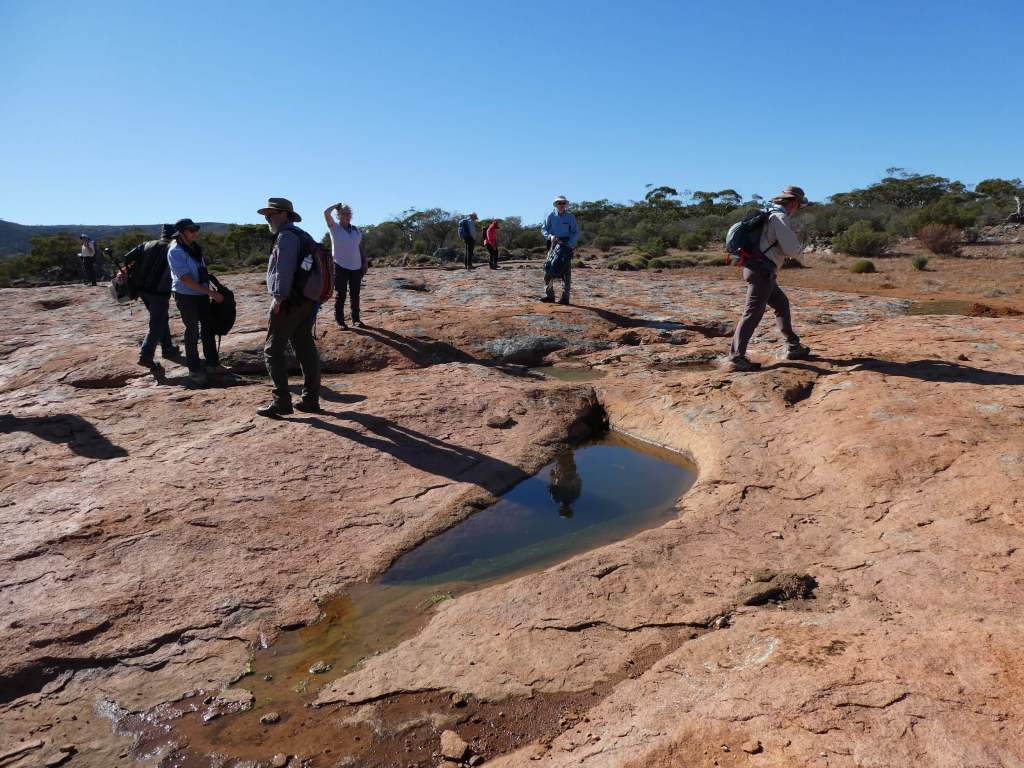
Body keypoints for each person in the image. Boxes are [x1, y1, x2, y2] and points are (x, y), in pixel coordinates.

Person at [724, 186, 812, 372]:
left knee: (781, 304)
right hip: (761, 271)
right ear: (793, 203)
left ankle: (793, 346)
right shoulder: (779, 217)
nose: (797, 210)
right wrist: (802, 256)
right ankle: (736, 358)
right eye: (798, 206)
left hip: (760, 269)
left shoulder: (769, 213)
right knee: (752, 312)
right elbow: (790, 248)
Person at [258, 197, 322, 418]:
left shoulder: (286, 237)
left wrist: (278, 297)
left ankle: (281, 402)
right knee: (304, 346)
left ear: (284, 214)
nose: (268, 219)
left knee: (272, 350)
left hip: (289, 302)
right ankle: (310, 400)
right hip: (307, 300)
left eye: (271, 215)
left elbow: (283, 270)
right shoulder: (303, 235)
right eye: (267, 216)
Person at [167, 218, 223, 385]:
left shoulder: (194, 248)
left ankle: (212, 364)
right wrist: (211, 293)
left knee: (208, 327)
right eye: (191, 230)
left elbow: (201, 271)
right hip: (185, 295)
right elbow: (186, 280)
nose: (195, 232)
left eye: (195, 229)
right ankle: (194, 369)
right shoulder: (175, 251)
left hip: (201, 293)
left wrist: (210, 289)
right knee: (192, 330)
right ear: (181, 233)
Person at [123, 224, 179, 368]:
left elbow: (126, 258)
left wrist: (132, 272)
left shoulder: (147, 244)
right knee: (157, 322)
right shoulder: (173, 248)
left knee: (161, 318)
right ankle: (146, 355)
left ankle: (167, 348)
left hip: (142, 289)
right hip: (159, 291)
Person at [324, 202, 368, 329]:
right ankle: (340, 321)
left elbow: (359, 247)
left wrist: (364, 261)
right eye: (344, 213)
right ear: (338, 215)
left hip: (356, 266)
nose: (347, 216)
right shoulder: (334, 227)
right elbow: (326, 213)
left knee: (355, 294)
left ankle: (356, 319)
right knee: (341, 294)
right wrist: (336, 205)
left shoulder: (355, 230)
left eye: (349, 213)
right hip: (339, 265)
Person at [540, 195, 579, 304]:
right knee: (548, 268)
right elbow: (544, 229)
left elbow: (575, 232)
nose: (561, 205)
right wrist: (550, 236)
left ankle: (565, 298)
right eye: (559, 203)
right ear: (555, 204)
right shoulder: (550, 215)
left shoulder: (570, 216)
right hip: (553, 243)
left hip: (566, 244)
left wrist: (570, 244)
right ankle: (549, 295)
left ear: (566, 204)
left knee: (566, 271)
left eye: (563, 203)